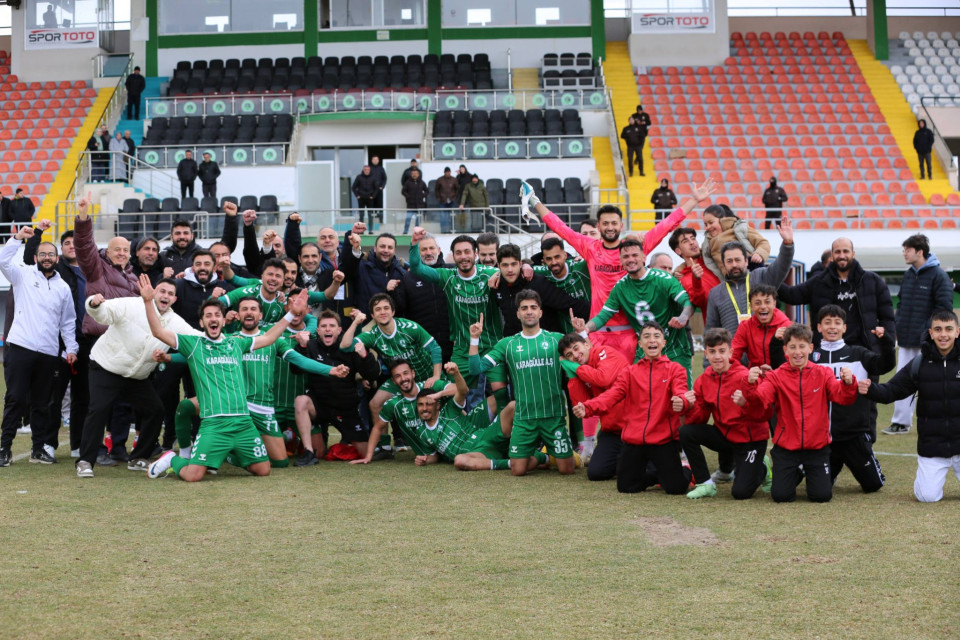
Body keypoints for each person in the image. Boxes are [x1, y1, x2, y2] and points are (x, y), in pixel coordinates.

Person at [523, 178, 717, 364]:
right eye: (605, 223)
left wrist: (694, 200)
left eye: (614, 223)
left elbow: (666, 225)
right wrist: (534, 200)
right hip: (598, 332)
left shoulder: (633, 249)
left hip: (629, 333)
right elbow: (560, 227)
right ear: (598, 226)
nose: (610, 227)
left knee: (630, 390)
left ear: (621, 225)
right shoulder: (590, 248)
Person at [143, 286, 311, 481]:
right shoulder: (194, 344)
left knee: (263, 470)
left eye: (217, 315)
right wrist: (148, 302)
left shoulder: (236, 343)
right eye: (208, 316)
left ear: (223, 320)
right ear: (201, 322)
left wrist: (291, 313)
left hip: (243, 423)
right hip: (214, 424)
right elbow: (157, 331)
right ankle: (172, 459)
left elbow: (270, 337)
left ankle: (224, 455)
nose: (213, 319)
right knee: (193, 476)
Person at [74, 278, 195, 477]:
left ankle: (139, 457)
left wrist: (228, 342)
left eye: (170, 294)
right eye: (162, 291)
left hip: (137, 376)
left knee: (155, 410)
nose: (165, 296)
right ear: (153, 292)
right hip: (106, 366)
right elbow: (104, 312)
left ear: (175, 299)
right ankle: (85, 461)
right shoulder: (131, 304)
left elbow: (196, 338)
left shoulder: (176, 322)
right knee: (99, 410)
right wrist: (93, 303)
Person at [742, 324, 858, 503]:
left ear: (811, 348)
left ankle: (808, 470)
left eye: (802, 346)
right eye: (793, 347)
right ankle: (793, 471)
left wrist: (848, 383)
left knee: (821, 496)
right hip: (786, 448)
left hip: (817, 447)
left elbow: (841, 396)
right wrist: (750, 383)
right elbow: (760, 399)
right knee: (781, 496)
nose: (798, 352)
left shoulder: (823, 373)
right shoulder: (776, 376)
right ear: (785, 350)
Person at [468, 290, 577, 476]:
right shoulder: (507, 344)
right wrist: (474, 339)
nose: (529, 312)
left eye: (533, 307)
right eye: (524, 308)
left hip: (553, 416)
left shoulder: (556, 339)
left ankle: (554, 454)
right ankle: (543, 456)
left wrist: (580, 332)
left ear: (540, 312)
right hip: (524, 419)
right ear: (517, 313)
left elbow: (583, 359)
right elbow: (475, 368)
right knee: (517, 471)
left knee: (567, 470)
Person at [573, 321, 690, 494]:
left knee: (675, 489)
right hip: (635, 440)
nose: (652, 340)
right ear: (640, 343)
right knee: (626, 487)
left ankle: (685, 467)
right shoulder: (630, 372)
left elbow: (681, 392)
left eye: (657, 336)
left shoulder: (675, 369)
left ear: (663, 343)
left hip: (663, 440)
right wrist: (587, 407)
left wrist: (682, 401)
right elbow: (611, 396)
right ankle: (656, 475)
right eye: (647, 337)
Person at [861, 310, 960, 503]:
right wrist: (871, 389)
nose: (943, 334)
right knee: (926, 497)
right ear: (931, 333)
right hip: (933, 446)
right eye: (938, 329)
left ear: (957, 332)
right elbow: (892, 390)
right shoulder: (919, 363)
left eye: (949, 329)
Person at [0, 225, 77, 467]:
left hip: (48, 354)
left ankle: (38, 450)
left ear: (57, 258)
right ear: (35, 258)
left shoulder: (63, 287)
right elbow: (2, 261)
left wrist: (71, 349)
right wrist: (16, 239)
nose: (46, 258)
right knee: (15, 399)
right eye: (42, 254)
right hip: (20, 348)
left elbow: (68, 322)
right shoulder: (23, 275)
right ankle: (4, 448)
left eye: (51, 255)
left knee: (42, 403)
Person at [679, 328, 772, 499]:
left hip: (750, 440)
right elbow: (699, 419)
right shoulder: (704, 379)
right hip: (725, 436)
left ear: (731, 352)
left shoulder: (745, 376)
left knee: (740, 493)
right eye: (712, 352)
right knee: (686, 432)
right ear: (705, 353)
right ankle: (705, 484)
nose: (717, 356)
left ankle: (762, 467)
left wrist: (746, 402)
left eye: (722, 351)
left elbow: (763, 412)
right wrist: (688, 406)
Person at [814, 305, 895, 493]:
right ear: (819, 327)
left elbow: (885, 365)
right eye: (827, 323)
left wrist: (886, 341)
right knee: (819, 487)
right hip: (822, 437)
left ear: (844, 327)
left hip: (853, 435)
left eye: (837, 323)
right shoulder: (811, 357)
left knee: (873, 485)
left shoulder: (858, 353)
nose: (832, 327)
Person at [24, 223, 88, 458]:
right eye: (67, 243)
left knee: (83, 396)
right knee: (53, 395)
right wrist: (36, 235)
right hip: (57, 344)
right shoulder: (55, 272)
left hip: (86, 341)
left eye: (76, 242)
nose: (72, 246)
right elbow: (29, 259)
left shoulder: (90, 270)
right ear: (59, 252)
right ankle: (48, 443)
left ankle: (78, 444)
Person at [584, 239, 694, 376]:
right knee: (641, 395)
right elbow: (603, 316)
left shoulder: (664, 279)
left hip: (674, 349)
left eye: (635, 255)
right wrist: (585, 329)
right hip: (645, 351)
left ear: (643, 257)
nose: (631, 260)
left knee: (680, 396)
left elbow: (687, 301)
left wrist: (683, 317)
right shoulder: (620, 288)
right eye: (626, 256)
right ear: (621, 260)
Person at [409, 228, 501, 391]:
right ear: (453, 255)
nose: (463, 256)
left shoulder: (491, 273)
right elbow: (416, 268)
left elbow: (514, 272)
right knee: (455, 393)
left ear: (476, 254)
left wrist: (519, 271)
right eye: (458, 253)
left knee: (499, 393)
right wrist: (414, 243)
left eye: (467, 251)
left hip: (491, 346)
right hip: (462, 349)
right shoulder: (447, 276)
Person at [292, 310, 380, 466]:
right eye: (323, 326)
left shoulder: (349, 346)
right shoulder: (310, 346)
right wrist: (302, 347)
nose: (327, 329)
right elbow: (296, 370)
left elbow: (372, 374)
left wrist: (365, 356)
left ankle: (343, 445)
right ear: (317, 330)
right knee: (300, 401)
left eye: (332, 326)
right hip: (319, 406)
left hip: (345, 409)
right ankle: (308, 452)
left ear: (339, 330)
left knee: (366, 453)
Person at [886, 234, 954, 435]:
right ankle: (900, 422)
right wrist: (898, 323)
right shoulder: (908, 274)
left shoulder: (938, 276)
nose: (904, 253)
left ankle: (941, 422)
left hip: (929, 341)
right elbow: (902, 302)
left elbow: (944, 309)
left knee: (934, 383)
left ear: (919, 251)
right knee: (902, 380)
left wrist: (930, 332)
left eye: (907, 249)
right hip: (907, 339)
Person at [776, 237, 895, 351]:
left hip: (865, 351)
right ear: (832, 255)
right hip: (828, 352)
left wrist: (887, 341)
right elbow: (791, 295)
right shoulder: (819, 282)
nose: (842, 256)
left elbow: (887, 317)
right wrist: (768, 275)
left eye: (845, 251)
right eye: (837, 252)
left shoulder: (873, 281)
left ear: (853, 254)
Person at [339, 294, 442, 421]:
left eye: (386, 308)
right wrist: (356, 322)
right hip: (401, 380)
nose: (382, 312)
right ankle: (385, 441)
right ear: (372, 315)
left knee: (445, 409)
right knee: (375, 404)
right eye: (378, 309)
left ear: (393, 311)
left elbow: (435, 348)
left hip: (427, 376)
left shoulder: (409, 327)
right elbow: (345, 346)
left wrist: (436, 376)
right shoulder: (372, 335)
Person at [705, 215, 795, 338]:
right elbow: (711, 331)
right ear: (724, 264)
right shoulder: (716, 293)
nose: (734, 265)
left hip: (763, 353)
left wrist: (787, 244)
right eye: (729, 261)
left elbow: (782, 266)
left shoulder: (761, 277)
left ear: (746, 261)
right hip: (734, 355)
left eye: (738, 260)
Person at [559, 333, 629, 481]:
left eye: (576, 348)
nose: (576, 355)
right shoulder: (581, 369)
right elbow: (582, 405)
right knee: (596, 473)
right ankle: (626, 461)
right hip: (611, 430)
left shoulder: (604, 352)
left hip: (633, 428)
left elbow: (604, 378)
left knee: (631, 471)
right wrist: (572, 375)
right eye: (569, 355)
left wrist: (576, 369)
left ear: (586, 344)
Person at [488, 243, 589, 336]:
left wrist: (601, 314)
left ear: (520, 264)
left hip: (546, 344)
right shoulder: (496, 284)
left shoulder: (537, 282)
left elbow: (569, 304)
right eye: (505, 265)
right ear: (498, 266)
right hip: (516, 346)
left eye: (513, 264)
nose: (510, 270)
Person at [393, 233, 452, 363]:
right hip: (422, 347)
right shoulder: (408, 278)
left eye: (431, 248)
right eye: (423, 249)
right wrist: (392, 292)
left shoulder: (451, 272)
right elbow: (400, 310)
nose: (428, 252)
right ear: (417, 253)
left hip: (453, 346)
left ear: (439, 250)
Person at [730, 284, 792, 369]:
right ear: (751, 306)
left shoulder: (787, 326)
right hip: (755, 377)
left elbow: (794, 359)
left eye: (767, 302)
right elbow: (733, 356)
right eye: (757, 303)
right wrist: (742, 373)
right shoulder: (745, 327)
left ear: (774, 303)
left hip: (781, 376)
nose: (763, 307)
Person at [700, 204, 770, 278]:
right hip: (731, 276)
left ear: (722, 219)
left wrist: (759, 254)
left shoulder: (739, 227)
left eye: (711, 223)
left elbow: (762, 242)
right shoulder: (707, 243)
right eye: (705, 224)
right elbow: (698, 256)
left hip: (752, 266)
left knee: (776, 286)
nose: (708, 227)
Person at [667, 227, 720, 312]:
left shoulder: (713, 258)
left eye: (693, 238)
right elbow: (701, 302)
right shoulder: (684, 278)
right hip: (718, 323)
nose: (692, 242)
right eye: (685, 241)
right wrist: (696, 279)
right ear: (678, 251)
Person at [355, 232, 407, 315]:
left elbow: (402, 307)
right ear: (375, 248)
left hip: (390, 325)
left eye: (390, 247)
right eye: (382, 246)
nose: (386, 250)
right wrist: (384, 288)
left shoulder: (401, 273)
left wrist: (392, 292)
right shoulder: (361, 267)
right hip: (366, 324)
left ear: (394, 251)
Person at [400, 168, 428, 234]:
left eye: (416, 174)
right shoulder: (408, 182)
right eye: (413, 174)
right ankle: (405, 231)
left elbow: (427, 191)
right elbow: (403, 191)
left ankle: (416, 232)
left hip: (419, 204)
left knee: (418, 220)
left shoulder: (421, 182)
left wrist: (422, 195)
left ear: (418, 174)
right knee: (408, 219)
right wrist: (408, 196)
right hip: (410, 205)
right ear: (411, 175)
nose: (414, 175)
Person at [434, 166, 459, 233]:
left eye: (449, 172)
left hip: (452, 201)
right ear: (444, 172)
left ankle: (451, 230)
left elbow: (457, 189)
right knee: (443, 217)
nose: (448, 173)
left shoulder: (454, 179)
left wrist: (454, 197)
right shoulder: (440, 180)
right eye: (446, 172)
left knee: (451, 217)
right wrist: (439, 198)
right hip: (442, 201)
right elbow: (436, 190)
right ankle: (443, 230)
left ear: (450, 172)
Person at [368, 156, 387, 224]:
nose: (375, 161)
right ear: (372, 160)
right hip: (371, 191)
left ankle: (381, 219)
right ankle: (372, 220)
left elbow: (384, 178)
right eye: (374, 159)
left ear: (378, 160)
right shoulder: (369, 168)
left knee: (380, 204)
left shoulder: (381, 168)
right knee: (372, 205)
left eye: (376, 159)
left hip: (379, 190)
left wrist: (382, 186)